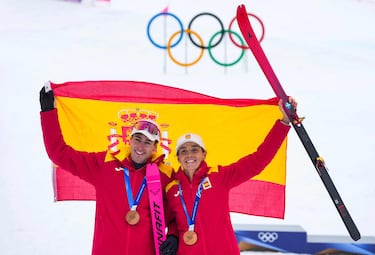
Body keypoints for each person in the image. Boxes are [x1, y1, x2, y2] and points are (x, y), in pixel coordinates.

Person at [39, 86, 178, 255]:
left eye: (148, 142)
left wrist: (173, 235)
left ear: (155, 147)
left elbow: (175, 215)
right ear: (130, 140)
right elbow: (59, 154)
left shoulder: (166, 175)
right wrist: (48, 114)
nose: (140, 146)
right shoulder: (105, 164)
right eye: (138, 139)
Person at [161, 97, 297, 255]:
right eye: (183, 151)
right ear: (178, 158)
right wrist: (172, 235)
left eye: (194, 149)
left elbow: (258, 161)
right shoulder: (171, 189)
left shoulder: (219, 177)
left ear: (204, 154)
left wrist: (284, 123)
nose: (189, 154)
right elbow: (171, 221)